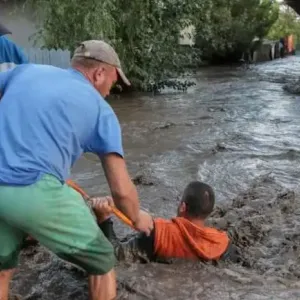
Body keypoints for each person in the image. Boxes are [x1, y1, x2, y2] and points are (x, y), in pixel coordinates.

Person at [0, 40, 153, 300]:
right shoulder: (101, 111)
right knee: (103, 261)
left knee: (2, 270)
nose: (109, 91)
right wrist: (138, 218)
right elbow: (121, 191)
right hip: (32, 189)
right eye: (113, 82)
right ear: (99, 73)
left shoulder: (27, 71)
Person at [92, 181, 239, 263]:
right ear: (209, 212)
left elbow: (115, 256)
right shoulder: (222, 244)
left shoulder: (159, 234)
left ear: (182, 207)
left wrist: (103, 218)